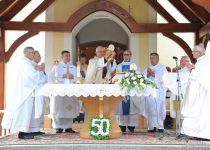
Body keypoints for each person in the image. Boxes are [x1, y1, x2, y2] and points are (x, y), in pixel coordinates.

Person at [2, 47, 47, 139]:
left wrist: (40, 71)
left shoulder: (29, 63)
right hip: (26, 92)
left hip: (30, 91)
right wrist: (40, 71)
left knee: (31, 112)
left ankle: (33, 129)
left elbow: (36, 75)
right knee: (26, 112)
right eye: (32, 53)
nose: (33, 54)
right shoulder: (25, 63)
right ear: (28, 53)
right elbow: (32, 76)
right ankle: (23, 132)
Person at [181, 44, 210, 141]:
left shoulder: (206, 61)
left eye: (194, 51)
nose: (192, 52)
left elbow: (202, 76)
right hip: (197, 92)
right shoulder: (200, 62)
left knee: (201, 113)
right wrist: (192, 68)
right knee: (196, 112)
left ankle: (203, 134)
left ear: (200, 52)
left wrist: (191, 68)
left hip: (202, 94)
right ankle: (196, 133)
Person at [49, 50, 80, 133]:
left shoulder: (73, 67)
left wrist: (72, 77)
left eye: (69, 56)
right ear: (62, 57)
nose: (68, 57)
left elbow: (78, 78)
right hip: (60, 91)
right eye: (66, 56)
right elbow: (52, 78)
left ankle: (68, 126)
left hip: (70, 92)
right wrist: (63, 76)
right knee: (59, 108)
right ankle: (58, 127)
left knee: (70, 108)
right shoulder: (56, 67)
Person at [141, 52, 168, 133]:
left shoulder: (162, 68)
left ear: (157, 59)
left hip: (158, 92)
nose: (151, 60)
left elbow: (165, 79)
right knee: (150, 108)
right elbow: (142, 79)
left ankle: (160, 126)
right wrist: (148, 76)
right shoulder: (147, 69)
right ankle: (151, 127)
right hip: (149, 92)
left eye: (153, 58)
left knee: (158, 108)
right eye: (150, 58)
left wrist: (153, 75)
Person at [115, 50, 140, 133]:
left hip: (131, 90)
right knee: (121, 108)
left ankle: (131, 126)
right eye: (124, 55)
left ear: (130, 55)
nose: (126, 56)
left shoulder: (134, 66)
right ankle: (122, 125)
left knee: (132, 108)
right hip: (122, 90)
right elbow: (116, 78)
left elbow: (138, 77)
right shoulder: (119, 66)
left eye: (127, 55)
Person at [30, 51, 48, 136]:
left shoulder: (39, 66)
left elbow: (45, 78)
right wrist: (40, 70)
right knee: (36, 110)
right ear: (33, 56)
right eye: (38, 56)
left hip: (41, 91)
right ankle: (34, 129)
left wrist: (43, 71)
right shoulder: (32, 66)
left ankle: (37, 128)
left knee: (40, 110)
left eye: (40, 56)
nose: (40, 58)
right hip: (36, 92)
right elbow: (37, 79)